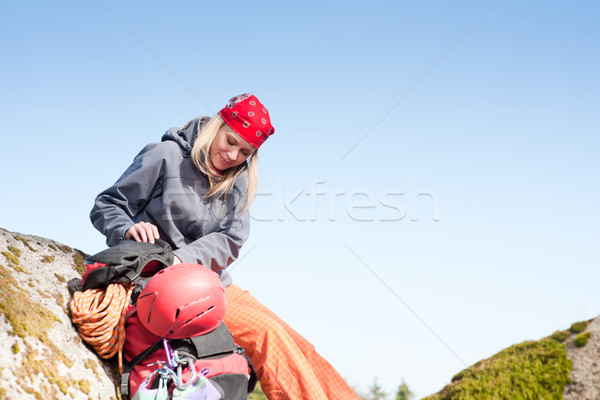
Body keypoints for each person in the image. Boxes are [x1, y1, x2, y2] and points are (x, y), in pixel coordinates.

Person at [90, 93, 361, 400]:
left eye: (245, 151)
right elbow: (107, 205)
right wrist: (128, 227)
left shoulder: (239, 179)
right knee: (267, 335)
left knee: (295, 340)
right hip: (159, 280)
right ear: (216, 127)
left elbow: (231, 240)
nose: (233, 156)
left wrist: (184, 259)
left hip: (208, 280)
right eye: (230, 141)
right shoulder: (164, 155)